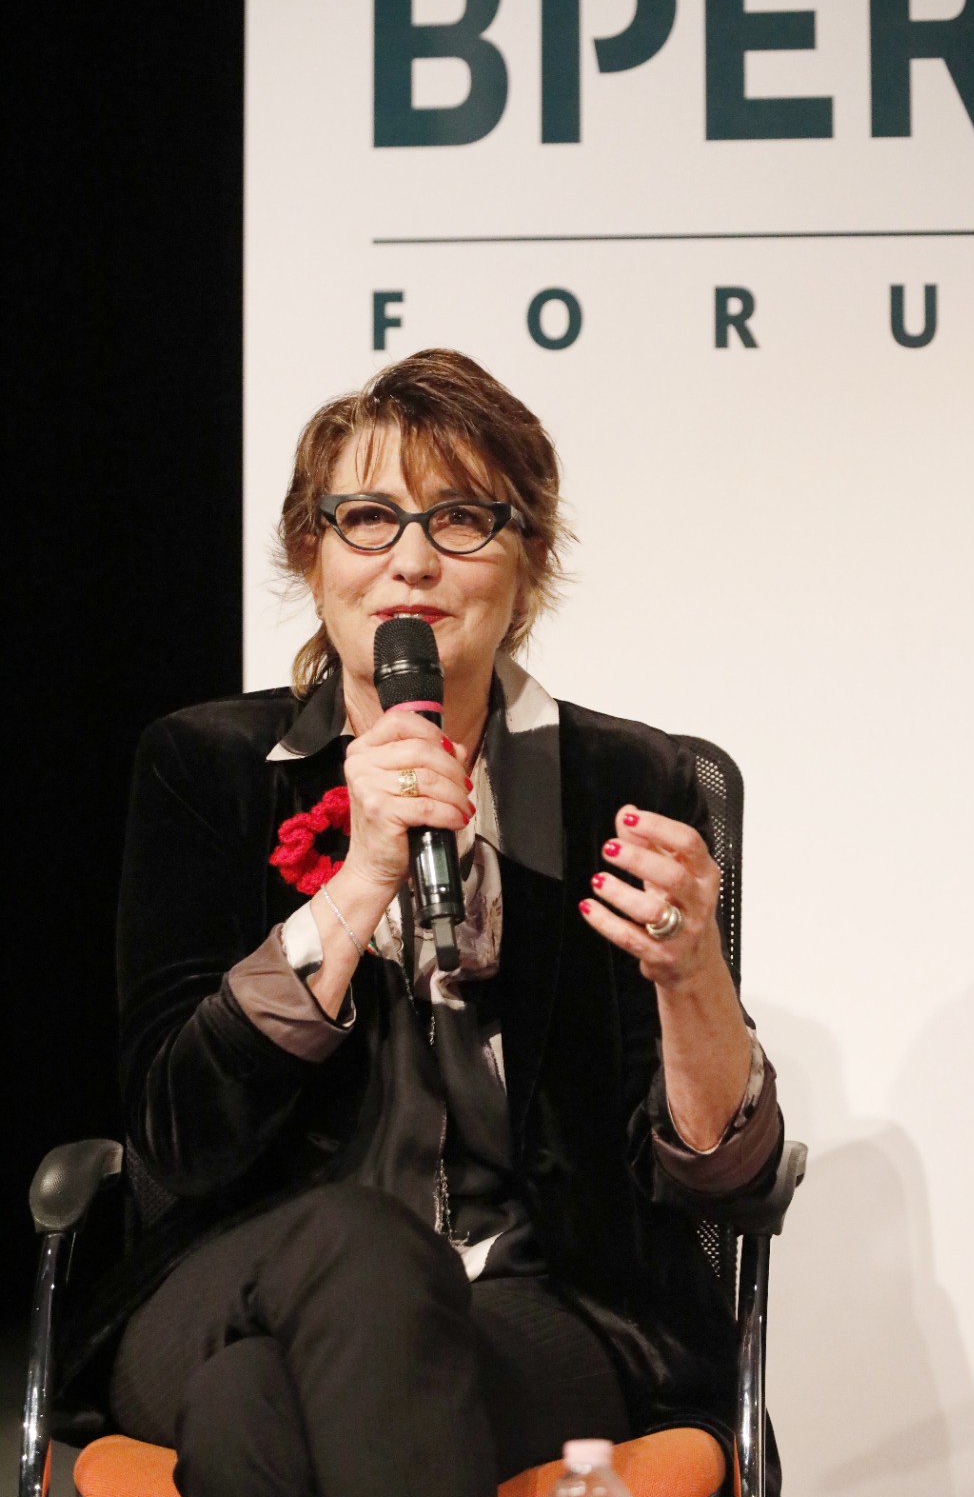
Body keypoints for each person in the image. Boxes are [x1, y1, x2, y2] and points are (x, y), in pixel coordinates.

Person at [63, 349, 783, 1497]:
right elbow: (175, 1133)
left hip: (542, 1303)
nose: (410, 559)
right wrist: (358, 883)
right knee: (358, 1250)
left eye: (459, 518)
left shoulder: (623, 784)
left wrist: (692, 978)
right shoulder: (206, 768)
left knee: (248, 1411)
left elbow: (725, 1180)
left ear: (525, 556)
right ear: (311, 552)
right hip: (228, 1275)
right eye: (366, 517)